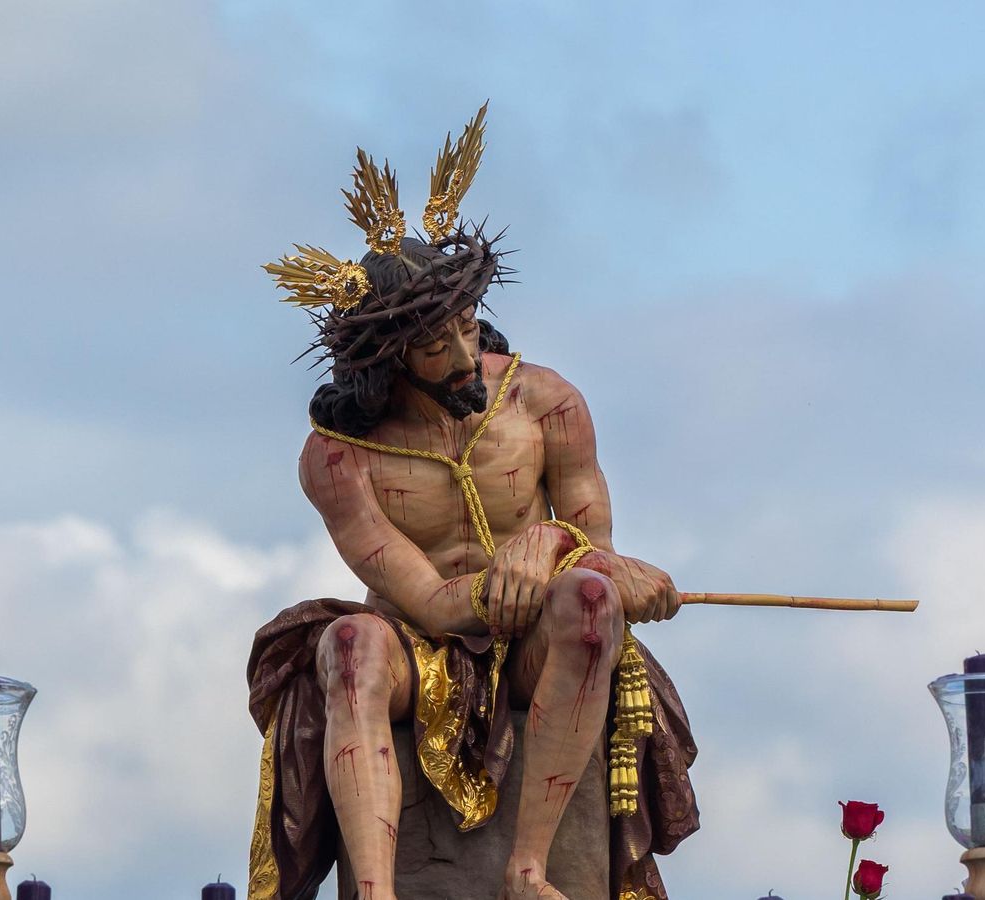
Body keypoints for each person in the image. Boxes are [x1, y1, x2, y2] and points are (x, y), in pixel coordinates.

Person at [248, 104, 698, 900]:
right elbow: (423, 598)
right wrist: (511, 573)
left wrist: (568, 553)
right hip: (408, 648)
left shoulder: (547, 402)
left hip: (531, 649)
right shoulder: (337, 457)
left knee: (590, 601)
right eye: (433, 346)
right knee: (348, 644)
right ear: (387, 361)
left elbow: (595, 542)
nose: (463, 356)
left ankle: (530, 869)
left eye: (464, 328)